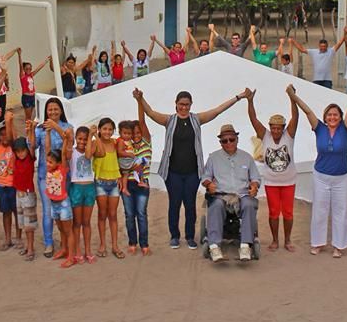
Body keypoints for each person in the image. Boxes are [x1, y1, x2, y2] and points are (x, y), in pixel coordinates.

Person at [134, 86, 247, 249]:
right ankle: (174, 236)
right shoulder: (169, 120)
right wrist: (140, 98)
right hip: (172, 172)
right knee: (174, 203)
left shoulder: (196, 119)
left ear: (191, 104)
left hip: (193, 172)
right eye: (181, 104)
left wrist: (238, 97)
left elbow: (217, 110)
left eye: (187, 104)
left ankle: (189, 237)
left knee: (190, 204)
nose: (184, 107)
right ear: (176, 104)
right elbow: (150, 113)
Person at [289, 85, 347, 258]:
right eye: (329, 114)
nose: (332, 117)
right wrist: (293, 96)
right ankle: (318, 243)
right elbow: (307, 111)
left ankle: (339, 245)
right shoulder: (319, 128)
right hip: (321, 176)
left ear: (340, 117)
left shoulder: (345, 128)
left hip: (341, 177)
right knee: (320, 210)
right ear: (325, 117)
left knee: (340, 211)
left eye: (336, 114)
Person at [244, 86, 298, 252]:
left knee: (288, 212)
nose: (275, 130)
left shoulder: (289, 135)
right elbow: (253, 119)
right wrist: (250, 100)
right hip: (271, 182)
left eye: (278, 127)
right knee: (274, 212)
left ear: (283, 128)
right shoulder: (265, 135)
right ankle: (275, 240)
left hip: (289, 181)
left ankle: (287, 240)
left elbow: (295, 117)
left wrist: (292, 97)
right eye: (273, 127)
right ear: (270, 127)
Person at [201, 124, 262, 262]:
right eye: (224, 140)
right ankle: (214, 246)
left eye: (231, 139)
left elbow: (255, 178)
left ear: (237, 139)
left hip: (242, 195)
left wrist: (254, 185)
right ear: (220, 142)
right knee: (215, 206)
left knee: (249, 205)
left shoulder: (247, 157)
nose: (228, 143)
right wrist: (209, 184)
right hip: (221, 194)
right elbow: (205, 177)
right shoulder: (213, 158)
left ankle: (245, 245)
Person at [31, 98, 73, 258]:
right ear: (45, 112)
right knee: (48, 210)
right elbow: (32, 147)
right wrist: (31, 130)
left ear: (61, 110)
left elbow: (71, 142)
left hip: (64, 176)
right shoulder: (41, 129)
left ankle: (65, 243)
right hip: (45, 175)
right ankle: (49, 242)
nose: (53, 112)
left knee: (63, 209)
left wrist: (55, 127)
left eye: (56, 109)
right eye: (50, 110)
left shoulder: (68, 127)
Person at [44, 125, 76, 268]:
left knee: (68, 231)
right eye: (47, 161)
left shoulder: (62, 169)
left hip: (63, 204)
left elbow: (63, 154)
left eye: (50, 162)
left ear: (57, 163)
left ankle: (71, 256)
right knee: (61, 230)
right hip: (54, 204)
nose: (47, 163)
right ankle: (64, 249)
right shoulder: (49, 168)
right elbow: (47, 148)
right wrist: (48, 133)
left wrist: (65, 140)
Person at [92, 117, 124, 258]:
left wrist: (122, 177)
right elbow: (94, 153)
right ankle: (102, 244)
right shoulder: (95, 143)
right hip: (100, 183)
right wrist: (93, 135)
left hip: (114, 183)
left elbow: (121, 159)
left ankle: (115, 245)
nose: (107, 131)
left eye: (110, 129)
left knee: (113, 215)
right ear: (99, 129)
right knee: (102, 214)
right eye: (104, 128)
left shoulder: (115, 143)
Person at [124, 108, 153, 255]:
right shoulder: (125, 147)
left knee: (141, 213)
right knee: (129, 214)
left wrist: (139, 101)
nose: (135, 136)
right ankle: (132, 242)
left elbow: (142, 121)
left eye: (138, 133)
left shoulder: (146, 143)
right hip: (128, 183)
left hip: (143, 183)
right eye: (133, 133)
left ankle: (144, 243)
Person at [69, 125, 99, 264]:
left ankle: (88, 250)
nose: (82, 141)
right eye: (79, 138)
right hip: (76, 188)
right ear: (75, 138)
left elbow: (88, 155)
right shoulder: (72, 152)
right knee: (77, 222)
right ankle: (77, 251)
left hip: (89, 187)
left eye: (85, 139)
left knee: (86, 222)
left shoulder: (91, 149)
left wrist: (93, 136)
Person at [12, 127, 38, 262]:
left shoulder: (29, 158)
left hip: (28, 194)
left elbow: (31, 144)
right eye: (18, 152)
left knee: (29, 225)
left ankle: (31, 248)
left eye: (22, 151)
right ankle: (28, 247)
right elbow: (13, 138)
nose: (20, 154)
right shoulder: (16, 159)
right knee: (22, 222)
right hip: (19, 194)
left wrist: (30, 130)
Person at [0, 111, 18, 251]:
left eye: (5, 133)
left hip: (14, 185)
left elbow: (11, 137)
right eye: (1, 134)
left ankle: (19, 237)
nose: (4, 136)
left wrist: (9, 121)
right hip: (2, 186)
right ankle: (8, 238)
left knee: (16, 212)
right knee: (6, 213)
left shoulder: (13, 146)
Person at [16, 47, 51, 122]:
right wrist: (19, 55)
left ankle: (30, 129)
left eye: (30, 68)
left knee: (31, 116)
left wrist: (47, 60)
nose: (29, 70)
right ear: (24, 69)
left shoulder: (31, 75)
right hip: (26, 97)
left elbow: (39, 68)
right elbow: (20, 66)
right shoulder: (22, 76)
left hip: (33, 97)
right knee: (28, 117)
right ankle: (28, 131)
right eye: (27, 69)